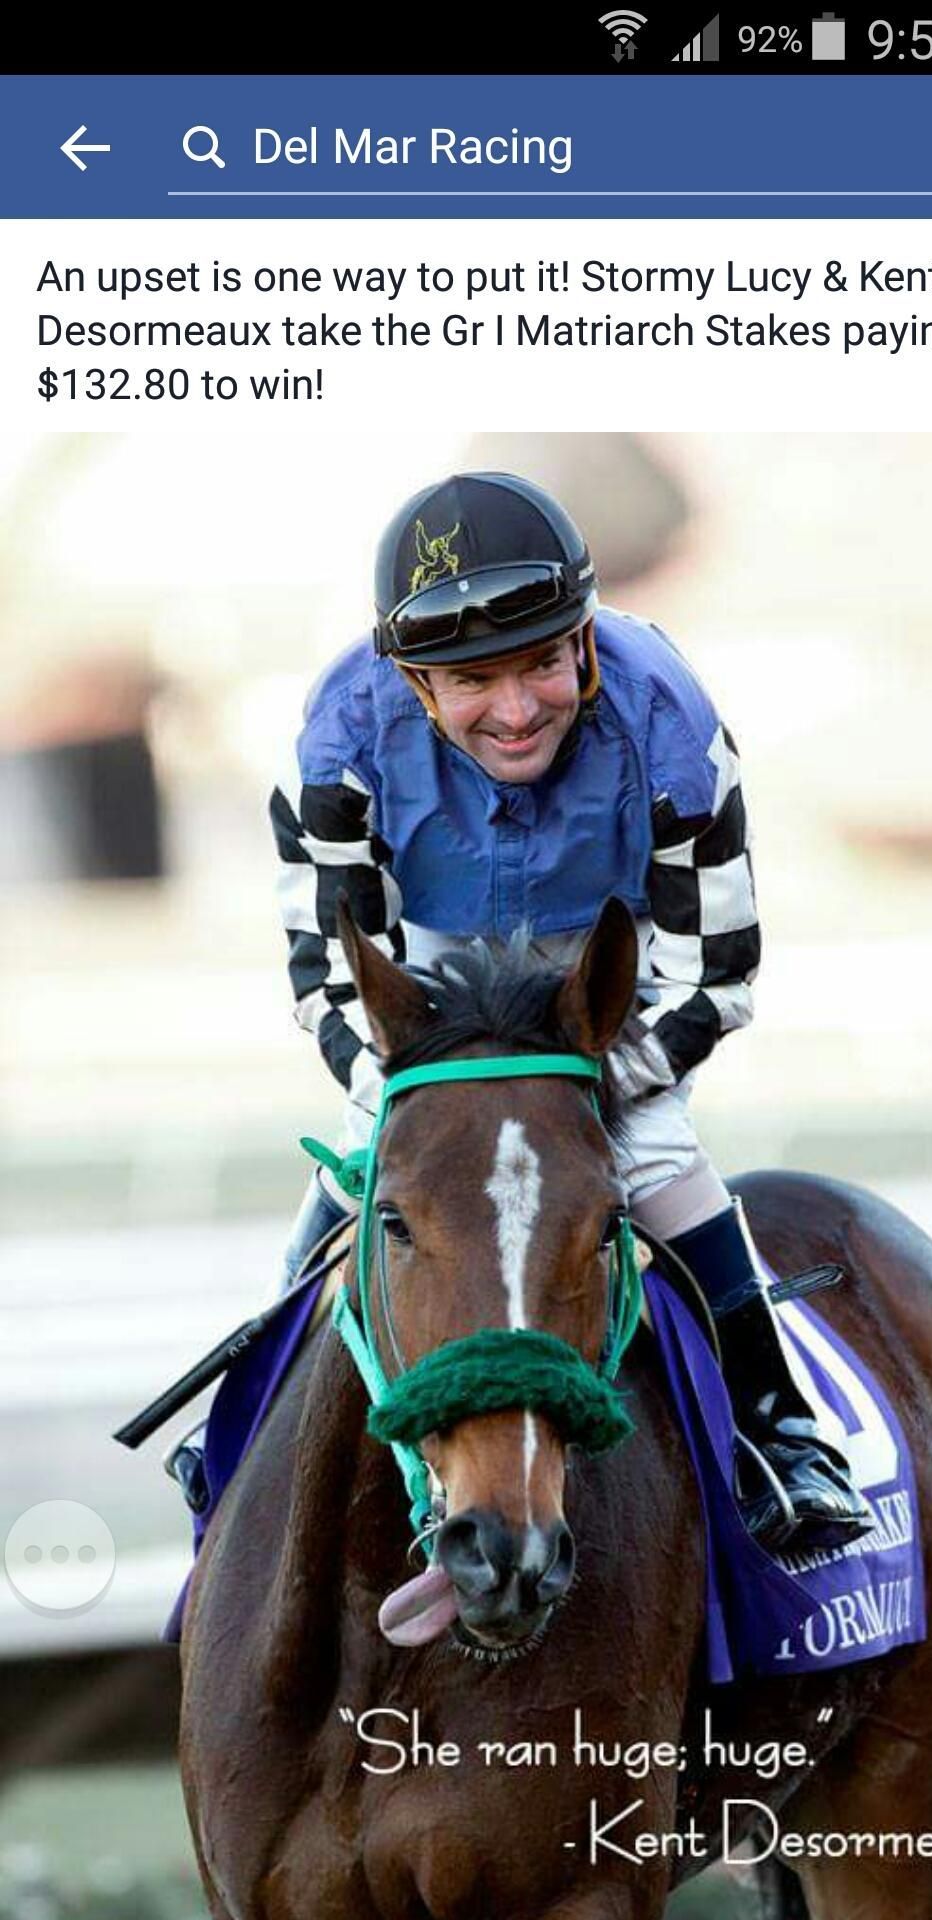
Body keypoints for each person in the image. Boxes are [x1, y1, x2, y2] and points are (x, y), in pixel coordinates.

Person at [167, 471, 873, 1553]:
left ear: (585, 639)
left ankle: (783, 1437)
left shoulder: (673, 728)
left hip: (607, 967)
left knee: (656, 1156)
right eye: (471, 680)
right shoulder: (336, 749)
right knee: (364, 1162)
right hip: (434, 977)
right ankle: (248, 1429)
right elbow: (329, 978)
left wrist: (576, 1086)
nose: (517, 707)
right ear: (411, 680)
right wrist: (423, 1096)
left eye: (544, 661)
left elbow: (714, 975)